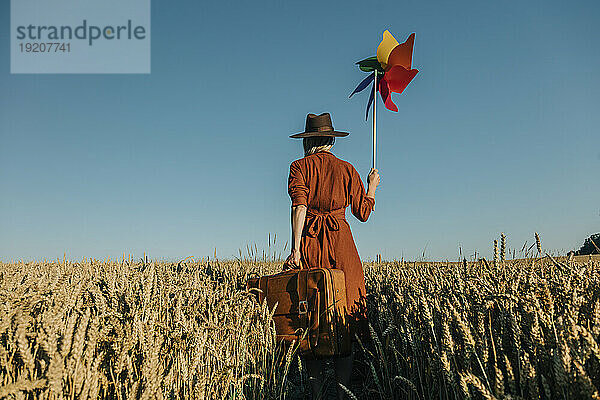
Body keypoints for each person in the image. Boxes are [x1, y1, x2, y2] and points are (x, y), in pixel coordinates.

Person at [283, 112, 380, 399]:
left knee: (310, 316)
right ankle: (342, 393)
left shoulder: (298, 167)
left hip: (311, 243)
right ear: (330, 140)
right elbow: (362, 213)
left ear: (308, 141)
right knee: (346, 315)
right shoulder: (347, 169)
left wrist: (296, 249)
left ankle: (314, 392)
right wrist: (371, 186)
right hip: (341, 245)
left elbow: (299, 207)